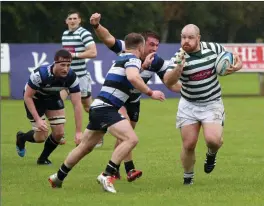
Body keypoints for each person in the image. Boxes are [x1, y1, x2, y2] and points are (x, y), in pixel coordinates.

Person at [48, 33, 166, 193]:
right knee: (131, 139)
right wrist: (151, 93)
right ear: (140, 47)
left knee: (85, 147)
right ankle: (107, 174)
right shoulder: (133, 60)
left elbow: (128, 76)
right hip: (107, 108)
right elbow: (132, 77)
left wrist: (143, 67)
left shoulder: (123, 58)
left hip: (97, 107)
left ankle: (58, 177)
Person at [88, 12, 181, 181]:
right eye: (151, 44)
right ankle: (127, 169)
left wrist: (189, 87)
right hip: (118, 97)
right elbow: (108, 39)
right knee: (127, 134)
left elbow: (170, 83)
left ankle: (118, 169)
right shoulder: (128, 48)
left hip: (134, 100)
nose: (154, 48)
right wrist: (96, 25)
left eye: (157, 46)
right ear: (142, 43)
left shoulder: (156, 61)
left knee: (126, 136)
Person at [162, 24, 243, 185]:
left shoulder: (213, 48)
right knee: (189, 144)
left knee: (213, 140)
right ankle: (188, 177)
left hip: (212, 103)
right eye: (183, 37)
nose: (186, 41)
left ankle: (211, 154)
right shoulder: (179, 57)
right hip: (189, 105)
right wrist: (178, 69)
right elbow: (168, 81)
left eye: (190, 37)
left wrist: (237, 66)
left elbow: (232, 57)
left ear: (198, 38)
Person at [15, 49, 83, 165]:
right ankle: (22, 138)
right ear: (55, 63)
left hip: (52, 97)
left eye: (68, 65)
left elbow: (77, 104)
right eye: (62, 65)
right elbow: (27, 97)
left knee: (59, 133)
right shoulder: (40, 74)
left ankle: (42, 159)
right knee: (41, 137)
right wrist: (38, 120)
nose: (65, 68)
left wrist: (78, 131)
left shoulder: (71, 77)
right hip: (35, 99)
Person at [60, 10, 97, 146]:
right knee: (57, 101)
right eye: (70, 18)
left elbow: (93, 52)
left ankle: (98, 131)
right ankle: (60, 133)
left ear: (80, 20)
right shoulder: (65, 34)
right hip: (66, 76)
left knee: (87, 106)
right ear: (66, 21)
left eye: (75, 18)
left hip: (80, 77)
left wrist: (74, 55)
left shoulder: (84, 33)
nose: (72, 21)